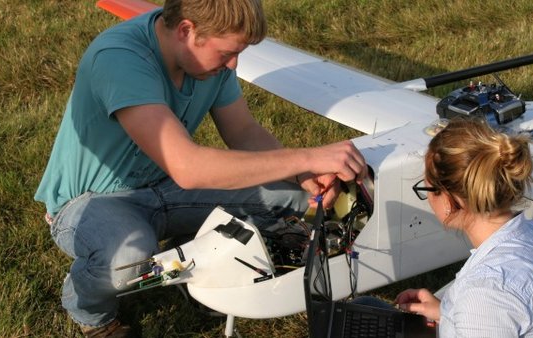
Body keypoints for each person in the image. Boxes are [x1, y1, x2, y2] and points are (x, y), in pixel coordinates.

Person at [34, 0, 367, 336]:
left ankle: (189, 241)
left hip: (168, 185)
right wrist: (308, 158)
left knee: (297, 198)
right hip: (92, 201)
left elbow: (243, 132)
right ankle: (88, 307)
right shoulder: (120, 58)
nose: (234, 64)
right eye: (226, 53)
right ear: (186, 30)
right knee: (126, 260)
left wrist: (303, 175)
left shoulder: (209, 62)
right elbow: (188, 167)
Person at [358, 118, 533, 337]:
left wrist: (465, 312)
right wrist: (445, 312)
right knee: (365, 305)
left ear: (450, 200)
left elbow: (494, 306)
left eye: (427, 188)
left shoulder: (487, 291)